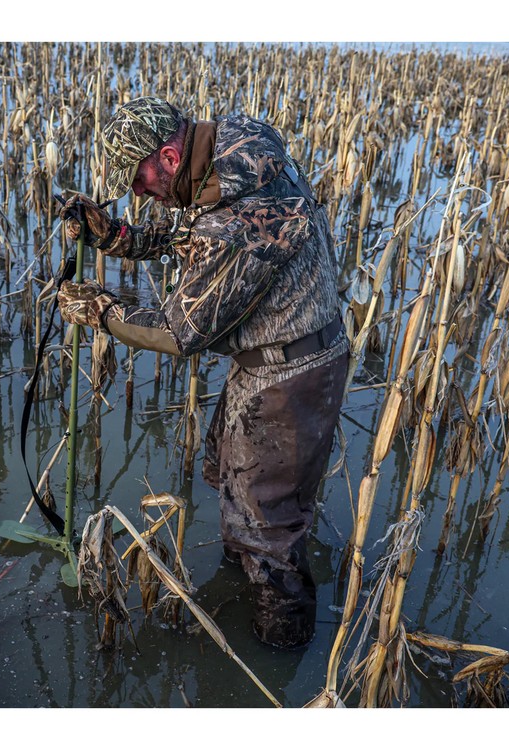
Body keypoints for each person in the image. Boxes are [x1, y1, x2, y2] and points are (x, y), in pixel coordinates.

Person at [57, 96, 349, 649]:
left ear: (169, 156)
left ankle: (280, 660)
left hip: (291, 378)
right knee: (234, 492)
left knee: (269, 534)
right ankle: (247, 596)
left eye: (138, 180)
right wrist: (118, 238)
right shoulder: (233, 146)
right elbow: (195, 240)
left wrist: (102, 311)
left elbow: (178, 331)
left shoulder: (234, 220)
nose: (137, 193)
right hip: (269, 360)